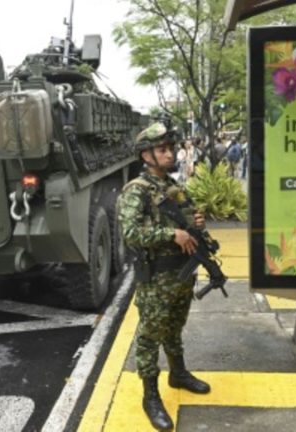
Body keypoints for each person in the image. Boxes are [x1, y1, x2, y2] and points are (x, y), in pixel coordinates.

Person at [117, 122, 211, 431]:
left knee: (174, 327)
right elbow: (130, 232)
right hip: (156, 279)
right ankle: (150, 396)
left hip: (181, 274)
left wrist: (195, 221)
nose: (169, 153)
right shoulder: (137, 191)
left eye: (170, 148)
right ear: (146, 156)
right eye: (162, 150)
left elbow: (189, 221)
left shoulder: (172, 187)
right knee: (149, 336)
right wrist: (172, 233)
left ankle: (178, 373)